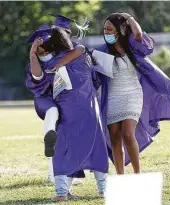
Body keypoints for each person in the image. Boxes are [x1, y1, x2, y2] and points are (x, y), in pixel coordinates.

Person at [54, 12, 170, 175]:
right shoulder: (101, 52)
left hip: (132, 95)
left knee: (128, 134)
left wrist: (128, 17)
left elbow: (138, 34)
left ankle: (137, 174)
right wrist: (58, 64)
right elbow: (81, 56)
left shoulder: (131, 47)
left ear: (119, 30)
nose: (106, 32)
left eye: (110, 29)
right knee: (115, 138)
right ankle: (120, 176)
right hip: (111, 98)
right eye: (105, 29)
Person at [26, 27, 109, 201]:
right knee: (96, 148)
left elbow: (38, 77)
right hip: (90, 108)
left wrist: (34, 54)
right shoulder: (81, 55)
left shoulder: (50, 65)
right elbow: (81, 51)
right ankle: (103, 189)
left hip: (67, 111)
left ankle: (62, 192)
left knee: (64, 149)